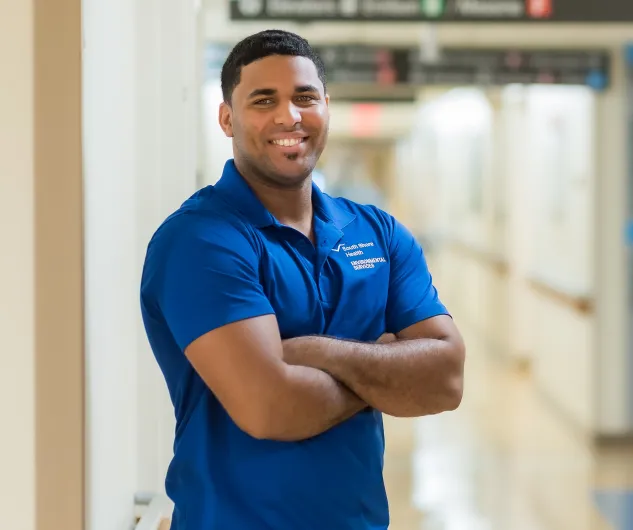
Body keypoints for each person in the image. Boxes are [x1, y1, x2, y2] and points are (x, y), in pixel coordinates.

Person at [139, 29, 465, 530]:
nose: (288, 116)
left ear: (326, 108)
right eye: (263, 100)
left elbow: (445, 378)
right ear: (227, 118)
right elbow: (271, 408)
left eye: (305, 98)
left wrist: (318, 352)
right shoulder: (200, 240)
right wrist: (385, 374)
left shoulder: (376, 232)